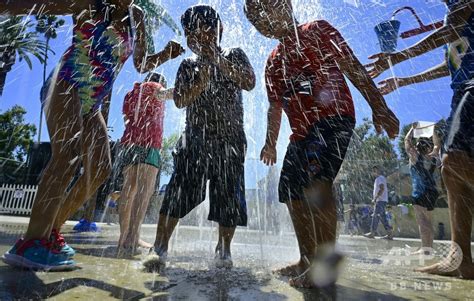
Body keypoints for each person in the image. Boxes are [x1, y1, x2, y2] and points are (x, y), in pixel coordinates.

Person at [0, 1, 184, 270]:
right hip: (65, 84)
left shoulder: (137, 16)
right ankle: (31, 241)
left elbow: (142, 63)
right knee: (68, 156)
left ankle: (50, 233)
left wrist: (166, 54)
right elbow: (35, 5)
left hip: (92, 102)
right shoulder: (88, 2)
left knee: (100, 168)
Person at [244, 0, 399, 288]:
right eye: (255, 19)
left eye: (266, 8)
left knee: (317, 181)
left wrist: (378, 106)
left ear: (287, 4)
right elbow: (274, 106)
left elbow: (351, 66)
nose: (263, 20)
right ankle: (307, 258)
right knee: (289, 189)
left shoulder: (317, 30)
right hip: (301, 133)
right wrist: (269, 143)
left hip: (334, 117)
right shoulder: (273, 61)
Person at [143, 5, 256, 272]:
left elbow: (249, 81)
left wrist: (219, 62)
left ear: (219, 30)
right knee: (178, 191)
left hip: (230, 140)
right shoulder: (187, 65)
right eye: (190, 34)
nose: (197, 38)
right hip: (195, 139)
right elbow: (181, 100)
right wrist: (200, 82)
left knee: (228, 198)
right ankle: (160, 246)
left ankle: (224, 250)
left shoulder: (235, 54)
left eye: (204, 31)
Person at [366, 0, 474, 278]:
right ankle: (460, 258)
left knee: (453, 165)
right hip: (462, 92)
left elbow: (451, 30)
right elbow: (448, 65)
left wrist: (395, 57)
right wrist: (402, 79)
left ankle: (459, 257)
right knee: (454, 169)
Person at [117, 72, 173, 258]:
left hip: (128, 143)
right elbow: (166, 94)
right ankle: (133, 237)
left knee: (128, 189)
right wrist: (186, 90)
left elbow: (126, 118)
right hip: (149, 144)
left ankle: (124, 236)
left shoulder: (131, 93)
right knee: (144, 191)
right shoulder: (154, 86)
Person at [405, 123, 439, 255]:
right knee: (429, 221)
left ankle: (425, 249)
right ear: (428, 147)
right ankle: (428, 248)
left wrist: (412, 129)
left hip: (419, 193)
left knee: (422, 221)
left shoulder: (414, 156)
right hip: (432, 192)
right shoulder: (433, 158)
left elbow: (407, 141)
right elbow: (437, 146)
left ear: (417, 147)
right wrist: (433, 131)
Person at [364, 166, 393, 240]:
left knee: (375, 216)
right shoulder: (381, 178)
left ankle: (372, 233)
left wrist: (375, 198)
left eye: (375, 170)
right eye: (373, 171)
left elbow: (382, 189)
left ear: (379, 170)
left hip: (380, 201)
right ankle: (389, 233)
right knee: (382, 217)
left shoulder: (379, 178)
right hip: (382, 200)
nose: (374, 172)